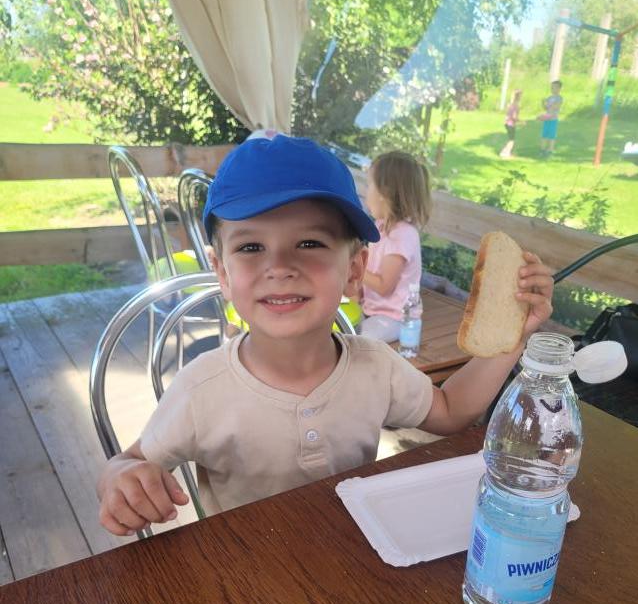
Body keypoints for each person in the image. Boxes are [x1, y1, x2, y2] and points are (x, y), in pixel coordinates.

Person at [97, 135, 554, 535]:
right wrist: (122, 482)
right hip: (241, 576)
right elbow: (128, 463)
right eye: (251, 247)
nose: (279, 266)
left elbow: (451, 411)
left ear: (354, 270)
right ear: (223, 273)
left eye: (309, 243)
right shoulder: (201, 390)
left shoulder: (376, 366)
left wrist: (513, 337)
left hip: (354, 556)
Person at [359, 151, 430, 343]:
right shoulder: (381, 226)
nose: (366, 191)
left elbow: (384, 286)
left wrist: (352, 267)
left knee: (355, 340)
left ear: (385, 193)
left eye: (369, 184)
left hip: (395, 319)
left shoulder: (402, 235)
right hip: (372, 310)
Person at [539, 80, 563, 158]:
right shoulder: (549, 98)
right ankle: (542, 150)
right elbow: (546, 108)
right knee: (544, 135)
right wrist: (543, 103)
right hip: (547, 119)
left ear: (559, 89)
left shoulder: (559, 98)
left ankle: (550, 150)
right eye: (551, 87)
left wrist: (549, 105)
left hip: (553, 119)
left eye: (554, 87)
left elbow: (556, 107)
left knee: (551, 136)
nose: (552, 89)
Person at [500, 89, 523, 159]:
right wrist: (521, 122)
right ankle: (505, 153)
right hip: (511, 124)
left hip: (506, 123)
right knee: (511, 140)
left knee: (510, 139)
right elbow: (514, 117)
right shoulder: (516, 106)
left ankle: (507, 152)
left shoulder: (510, 104)